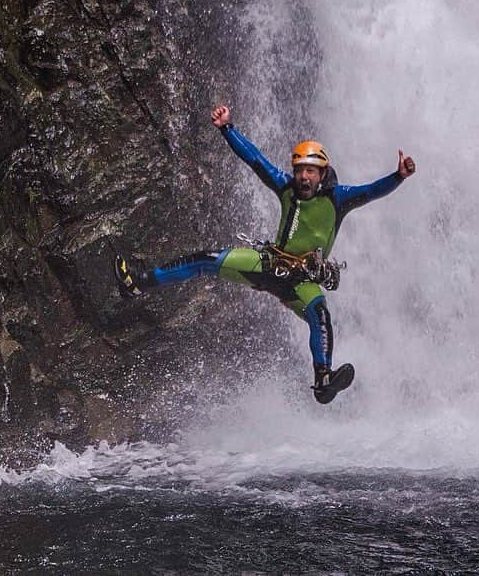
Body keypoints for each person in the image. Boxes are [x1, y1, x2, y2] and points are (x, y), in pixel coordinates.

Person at [115, 105, 416, 403]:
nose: (303, 177)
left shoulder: (338, 199)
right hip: (269, 266)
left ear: (322, 173)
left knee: (321, 315)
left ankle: (323, 381)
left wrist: (398, 176)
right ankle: (139, 283)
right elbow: (255, 159)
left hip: (302, 282)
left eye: (310, 171)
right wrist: (226, 128)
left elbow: (373, 191)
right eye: (299, 170)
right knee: (206, 260)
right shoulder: (285, 187)